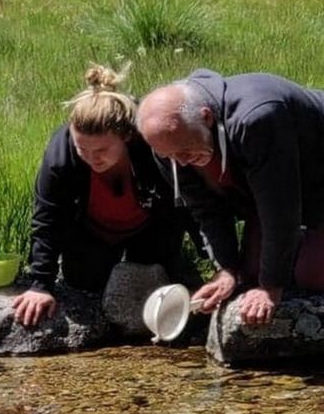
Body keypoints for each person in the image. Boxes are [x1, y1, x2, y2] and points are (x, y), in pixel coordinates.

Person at [136, 68, 324, 326]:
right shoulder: (168, 144)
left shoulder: (257, 118)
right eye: (169, 156)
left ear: (207, 117)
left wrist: (271, 288)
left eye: (186, 151)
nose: (180, 163)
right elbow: (206, 209)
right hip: (269, 180)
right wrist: (229, 268)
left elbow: (280, 209)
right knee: (249, 273)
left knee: (314, 275)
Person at [13, 65, 203, 327]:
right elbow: (48, 220)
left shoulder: (152, 146)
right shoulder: (61, 159)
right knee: (86, 289)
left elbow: (189, 204)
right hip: (89, 232)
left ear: (126, 136)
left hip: (150, 228)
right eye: (82, 149)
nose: (92, 158)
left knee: (151, 292)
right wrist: (40, 284)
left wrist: (220, 265)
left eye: (101, 150)